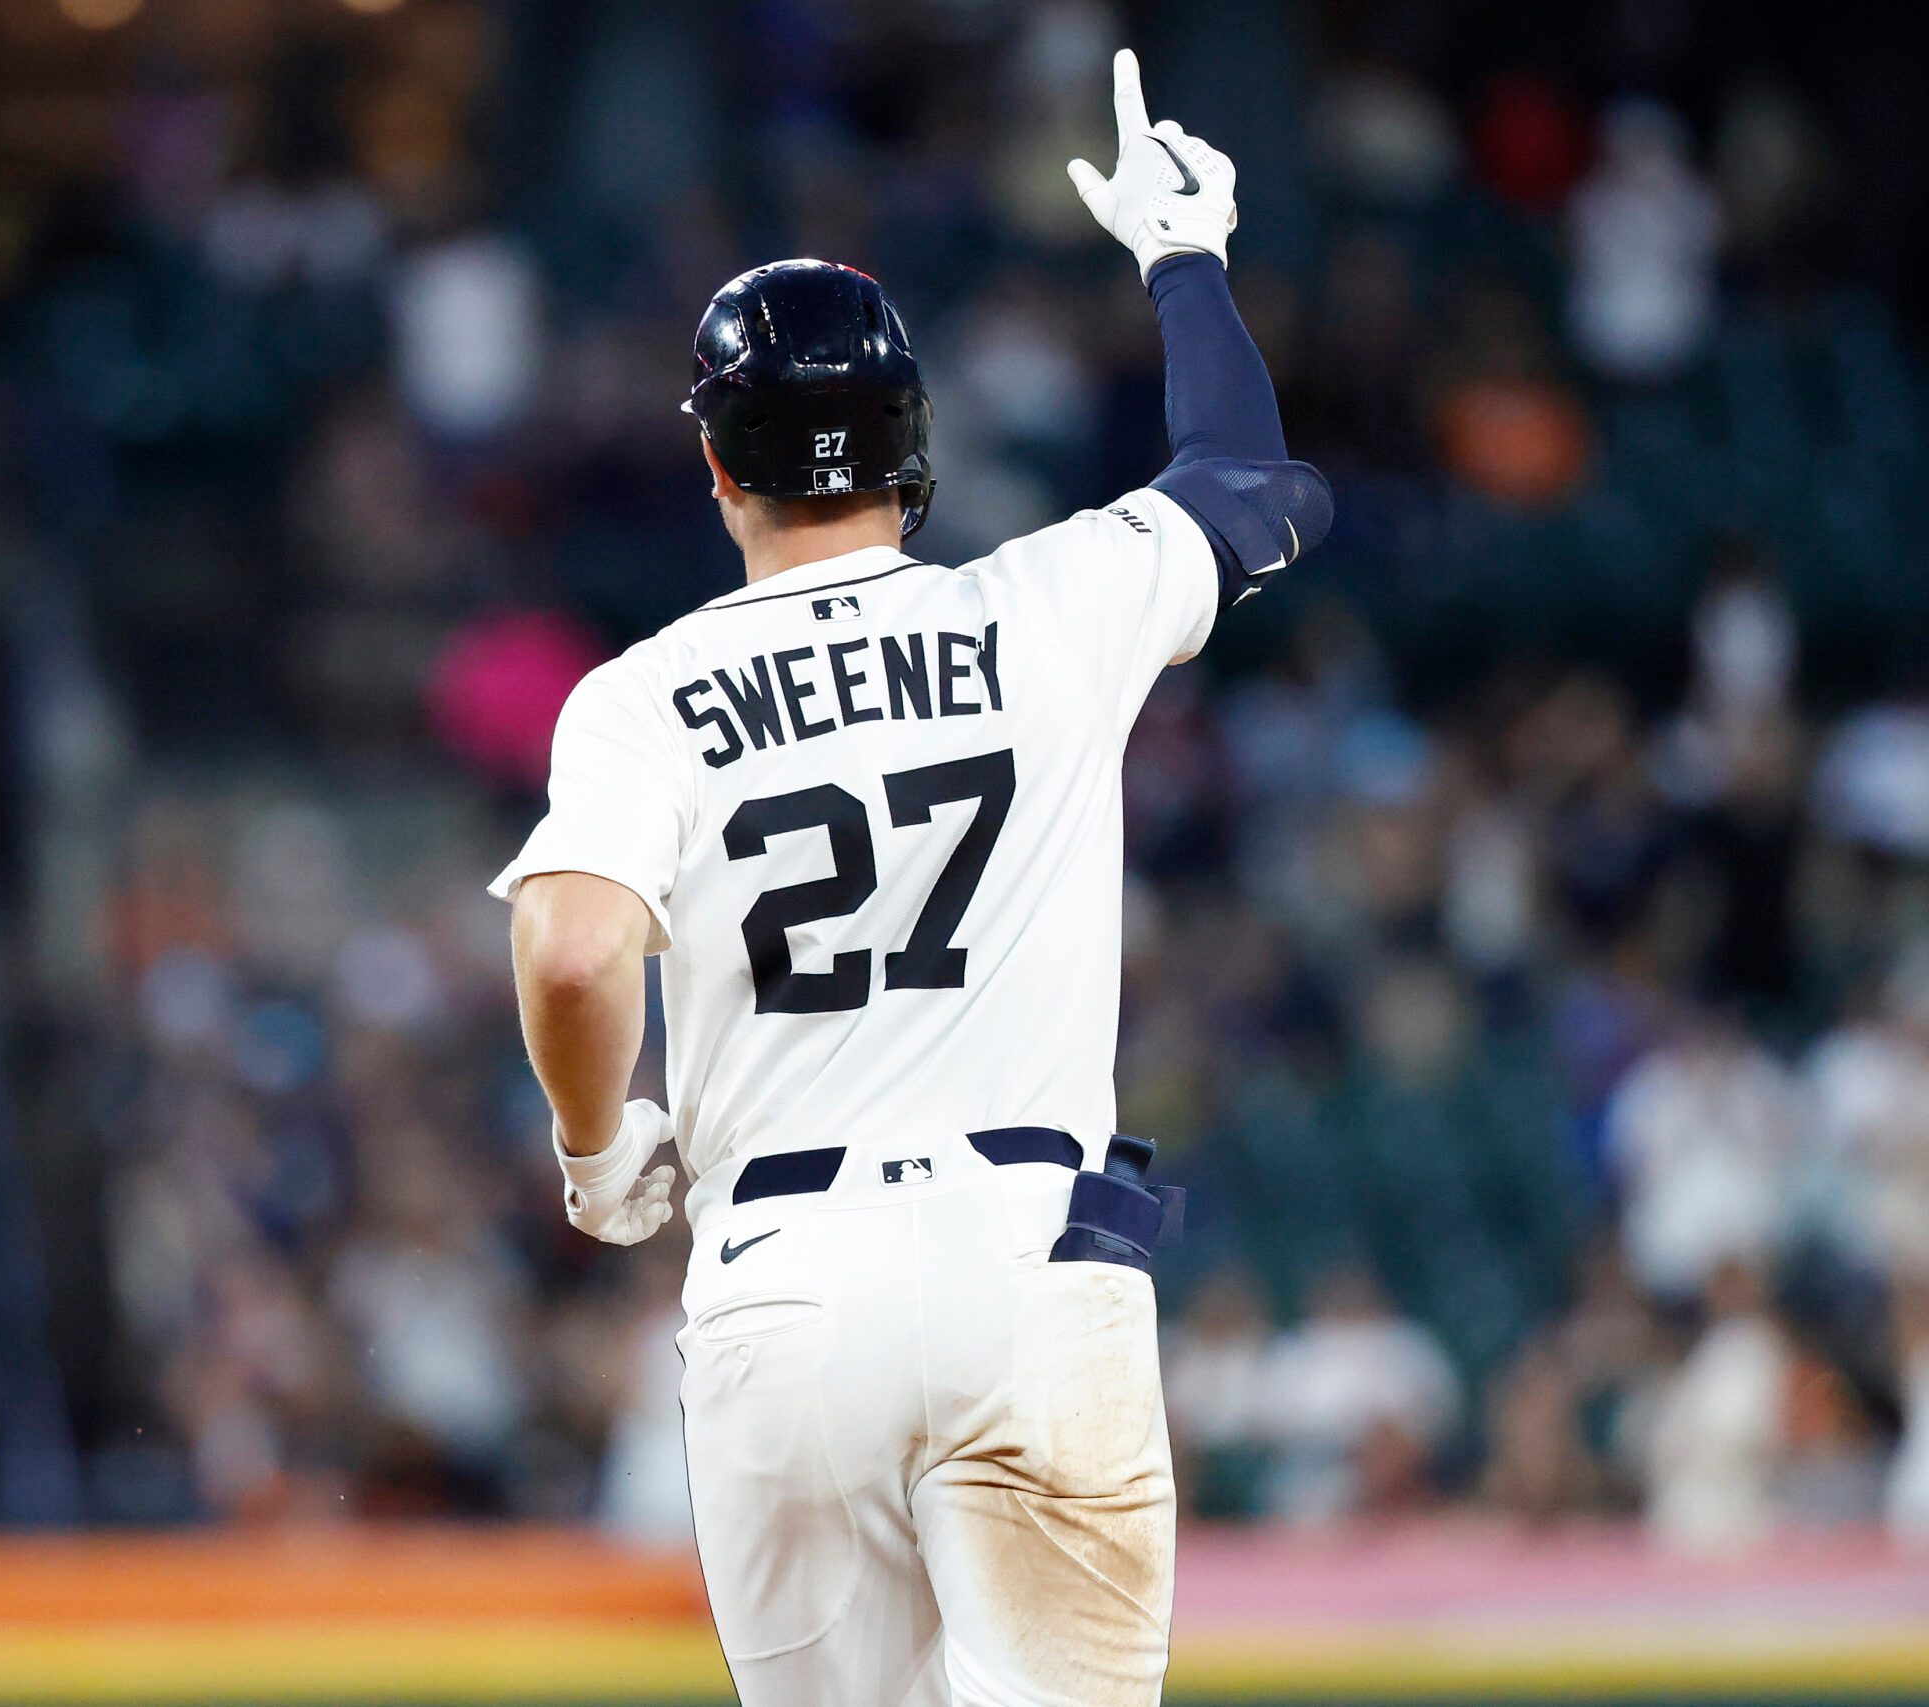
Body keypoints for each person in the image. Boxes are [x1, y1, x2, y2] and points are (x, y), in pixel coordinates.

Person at [491, 51, 1327, 1707]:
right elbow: (1253, 485)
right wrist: (1185, 266)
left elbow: (580, 958)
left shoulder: (644, 693)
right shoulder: (1049, 606)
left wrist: (598, 1158)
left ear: (717, 467)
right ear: (912, 449)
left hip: (782, 1279)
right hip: (1033, 1260)